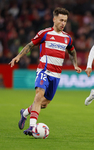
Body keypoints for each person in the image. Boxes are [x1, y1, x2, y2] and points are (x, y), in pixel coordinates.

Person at [9, 7, 82, 136]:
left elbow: (72, 51)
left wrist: (75, 64)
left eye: (65, 21)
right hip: (44, 70)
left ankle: (25, 113)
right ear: (54, 19)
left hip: (56, 75)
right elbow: (30, 45)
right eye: (61, 20)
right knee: (38, 95)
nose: (63, 23)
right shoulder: (45, 33)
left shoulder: (67, 38)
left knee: (44, 103)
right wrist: (19, 56)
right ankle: (32, 127)